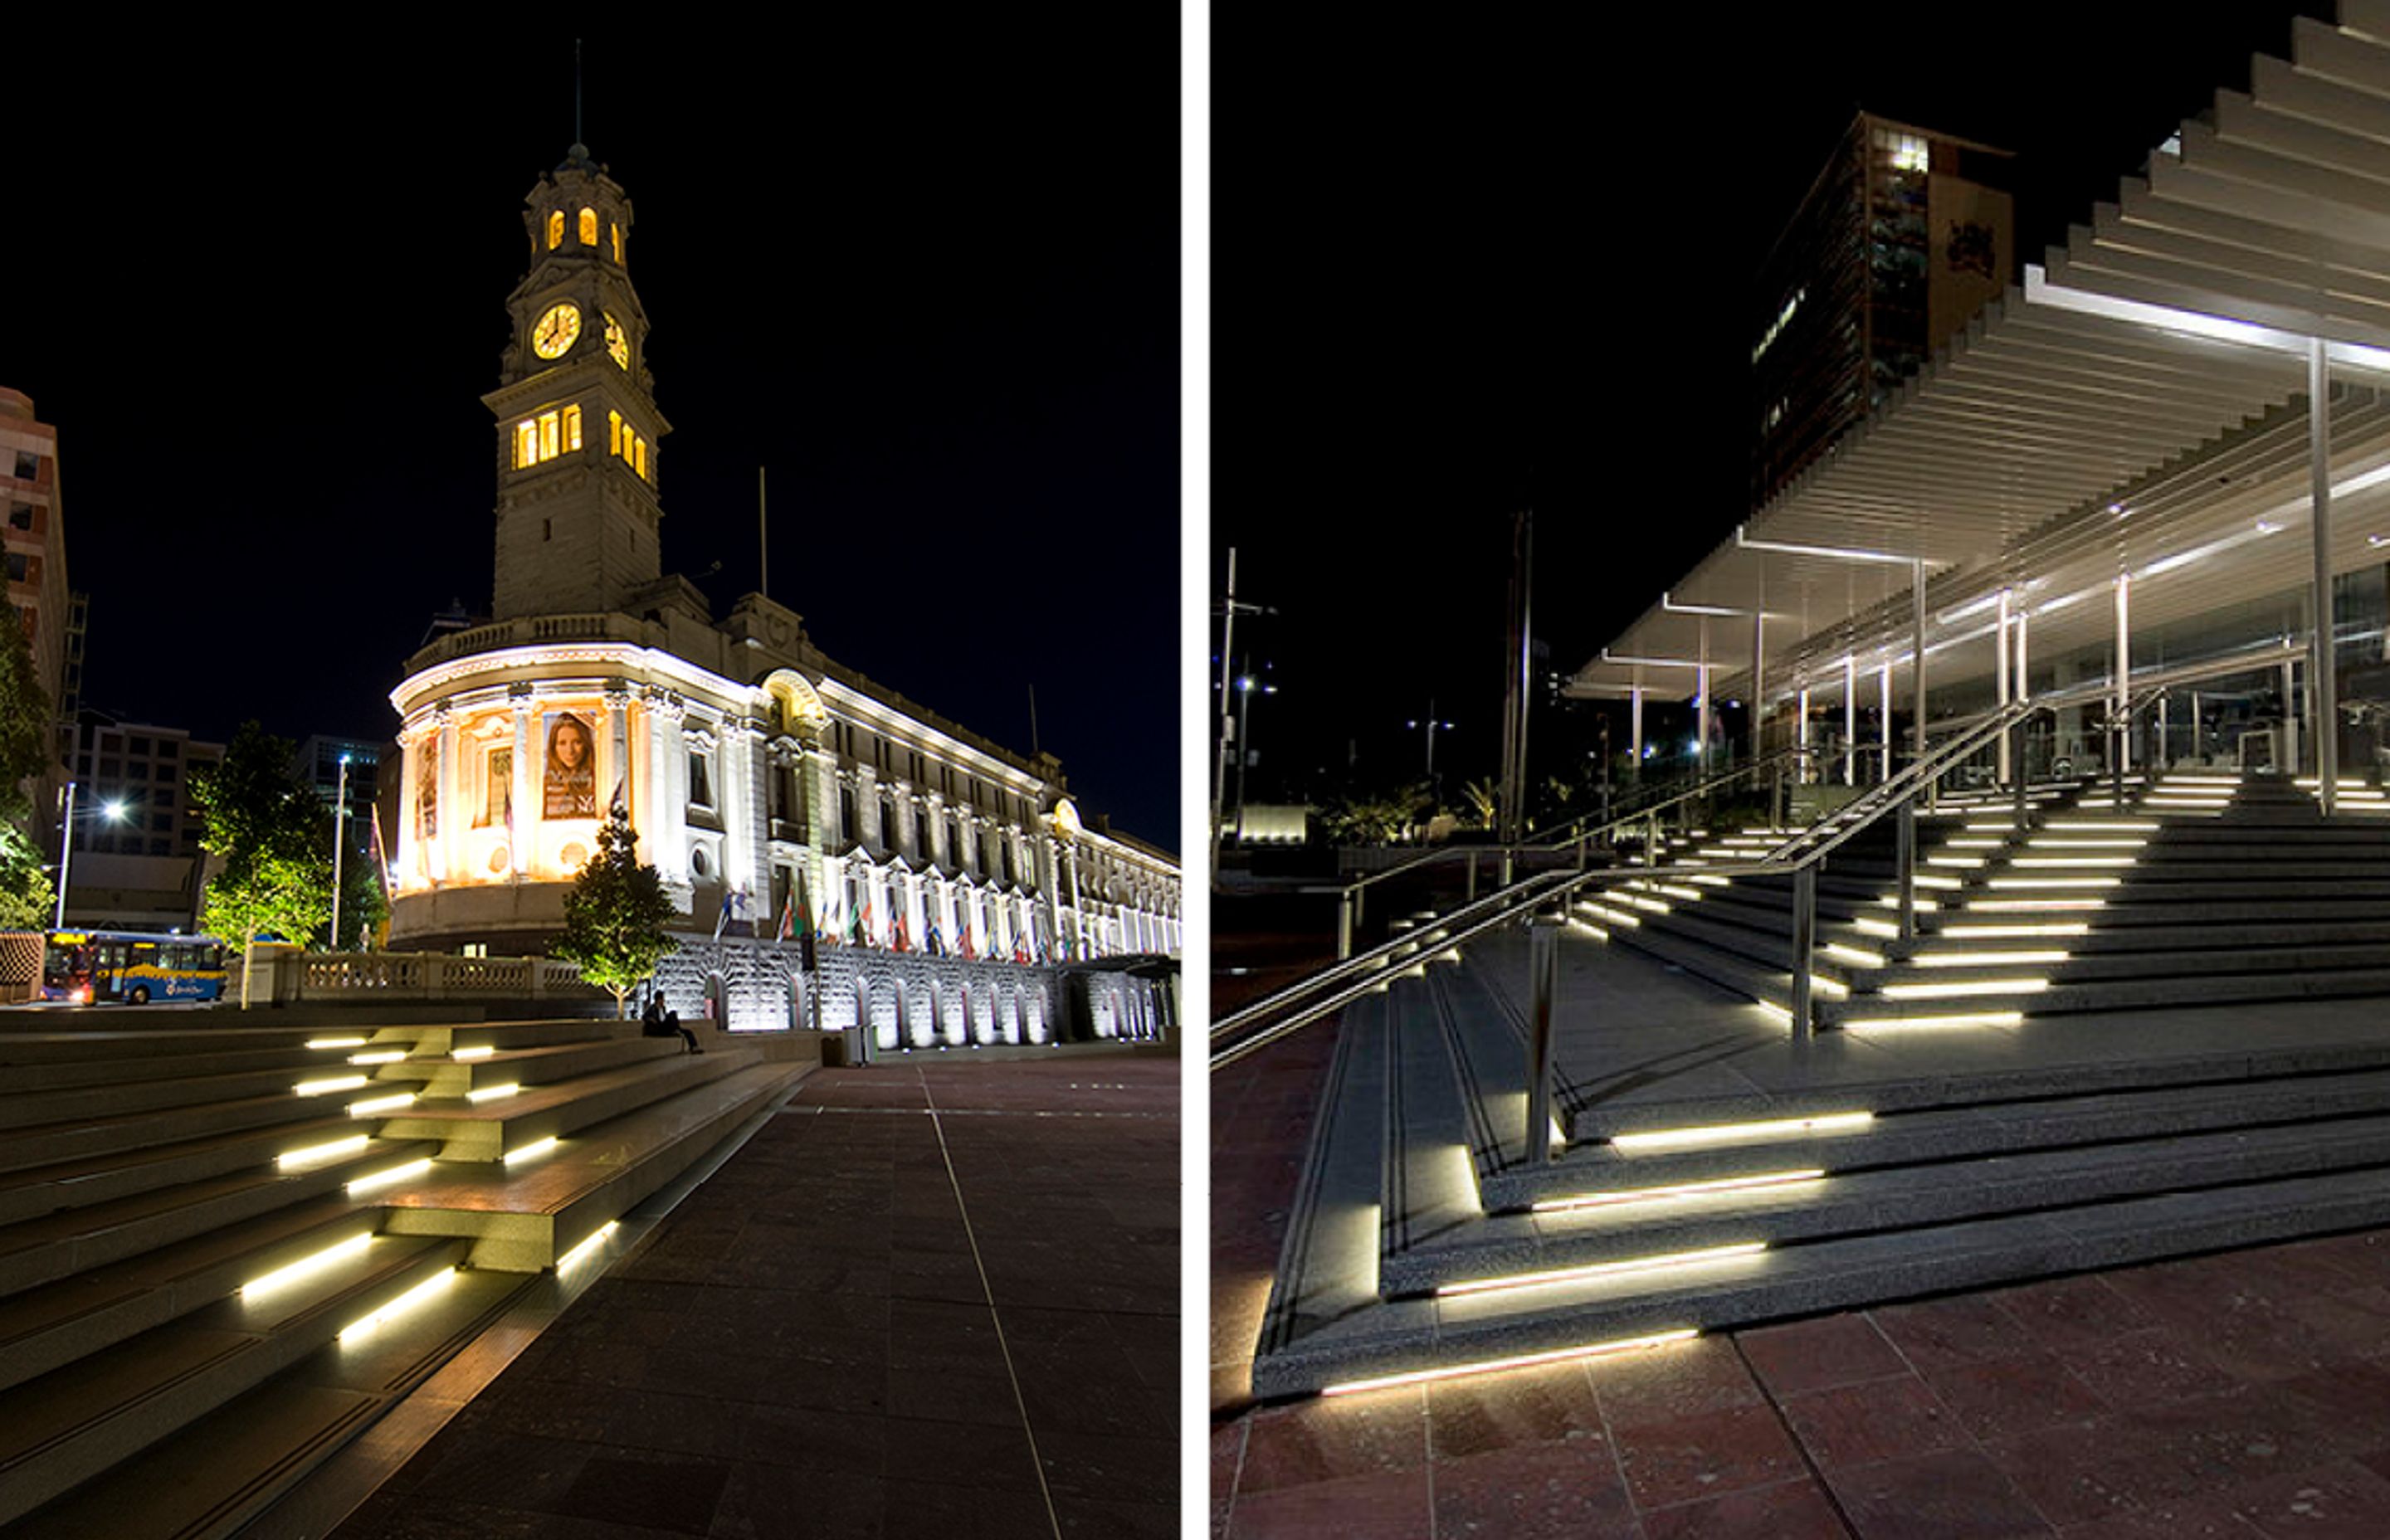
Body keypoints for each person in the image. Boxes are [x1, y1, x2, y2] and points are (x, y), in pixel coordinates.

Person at [641, 989, 700, 1054]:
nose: (664, 1001)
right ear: (659, 999)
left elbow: (663, 1018)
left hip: (666, 1026)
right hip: (660, 1028)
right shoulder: (652, 1008)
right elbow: (644, 1017)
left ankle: (694, 1047)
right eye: (662, 999)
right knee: (672, 1014)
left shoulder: (663, 1008)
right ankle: (676, 1029)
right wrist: (652, 1020)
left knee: (688, 1032)